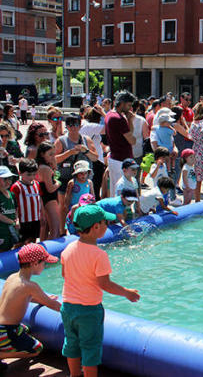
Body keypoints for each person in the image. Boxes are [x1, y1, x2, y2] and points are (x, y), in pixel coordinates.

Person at [60, 205, 140, 377]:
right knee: (90, 347)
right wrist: (127, 292)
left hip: (67, 306)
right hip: (89, 310)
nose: (107, 225)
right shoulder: (98, 255)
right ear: (96, 227)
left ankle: (74, 375)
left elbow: (64, 274)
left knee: (71, 343)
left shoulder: (67, 250)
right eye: (105, 222)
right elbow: (105, 284)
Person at [0, 244, 60, 367]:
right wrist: (72, 309)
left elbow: (20, 297)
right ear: (34, 263)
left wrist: (40, 299)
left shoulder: (12, 277)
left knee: (25, 329)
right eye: (44, 263)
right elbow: (53, 305)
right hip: (5, 331)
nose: (45, 265)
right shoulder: (30, 285)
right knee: (36, 349)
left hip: (2, 327)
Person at [105, 91, 137, 198]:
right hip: (121, 160)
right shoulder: (118, 118)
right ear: (122, 103)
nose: (130, 108)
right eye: (129, 105)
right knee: (123, 191)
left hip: (115, 157)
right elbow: (132, 140)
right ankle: (121, 213)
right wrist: (130, 120)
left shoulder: (109, 114)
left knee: (115, 190)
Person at [10, 159, 42, 245]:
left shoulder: (36, 184)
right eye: (28, 175)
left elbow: (40, 201)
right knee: (21, 243)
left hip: (36, 219)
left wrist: (42, 215)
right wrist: (16, 219)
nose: (31, 177)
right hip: (23, 221)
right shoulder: (16, 187)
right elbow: (13, 205)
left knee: (33, 240)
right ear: (20, 173)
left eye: (34, 174)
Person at [79, 107, 107, 200]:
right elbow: (112, 126)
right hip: (96, 161)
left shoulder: (84, 124)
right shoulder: (91, 126)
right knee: (95, 189)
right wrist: (104, 114)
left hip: (89, 158)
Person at [35, 142, 61, 240]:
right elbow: (50, 188)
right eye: (50, 154)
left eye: (54, 154)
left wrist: (54, 164)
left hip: (44, 198)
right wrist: (59, 183)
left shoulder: (40, 166)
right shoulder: (45, 168)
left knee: (45, 230)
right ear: (42, 154)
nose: (53, 157)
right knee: (55, 229)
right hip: (50, 199)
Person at [0, 166, 19, 252]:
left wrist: (17, 220)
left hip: (11, 231)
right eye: (5, 179)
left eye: (10, 179)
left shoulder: (12, 194)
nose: (8, 182)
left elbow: (15, 209)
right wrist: (12, 222)